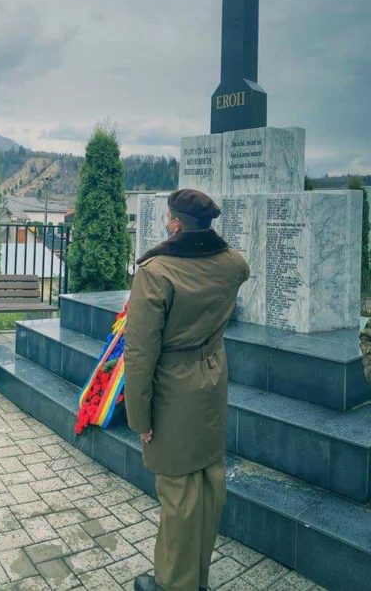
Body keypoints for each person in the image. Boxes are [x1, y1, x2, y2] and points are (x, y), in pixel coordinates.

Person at [124, 189, 250, 591]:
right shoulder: (231, 263)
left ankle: (174, 583)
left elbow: (141, 352)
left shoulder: (157, 272)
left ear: (176, 223)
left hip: (173, 384)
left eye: (168, 218)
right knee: (210, 481)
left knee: (178, 491)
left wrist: (140, 417)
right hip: (212, 375)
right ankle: (197, 578)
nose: (165, 224)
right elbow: (241, 267)